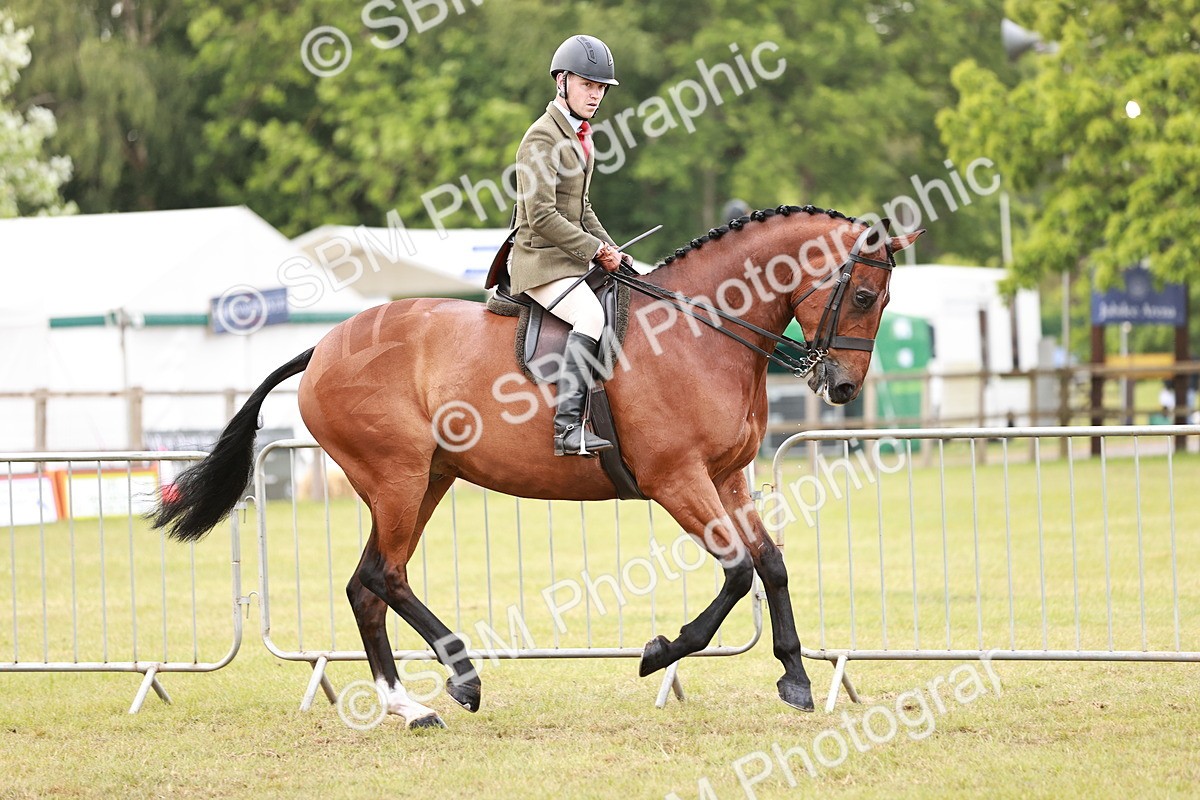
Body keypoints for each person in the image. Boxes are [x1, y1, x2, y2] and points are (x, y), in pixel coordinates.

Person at [508, 34, 632, 457]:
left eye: (600, 88)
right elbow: (541, 216)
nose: (595, 95)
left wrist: (614, 249)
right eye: (587, 84)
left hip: (567, 257)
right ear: (561, 81)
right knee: (590, 316)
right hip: (539, 260)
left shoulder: (580, 134)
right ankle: (567, 429)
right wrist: (595, 252)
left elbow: (582, 208)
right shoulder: (541, 138)